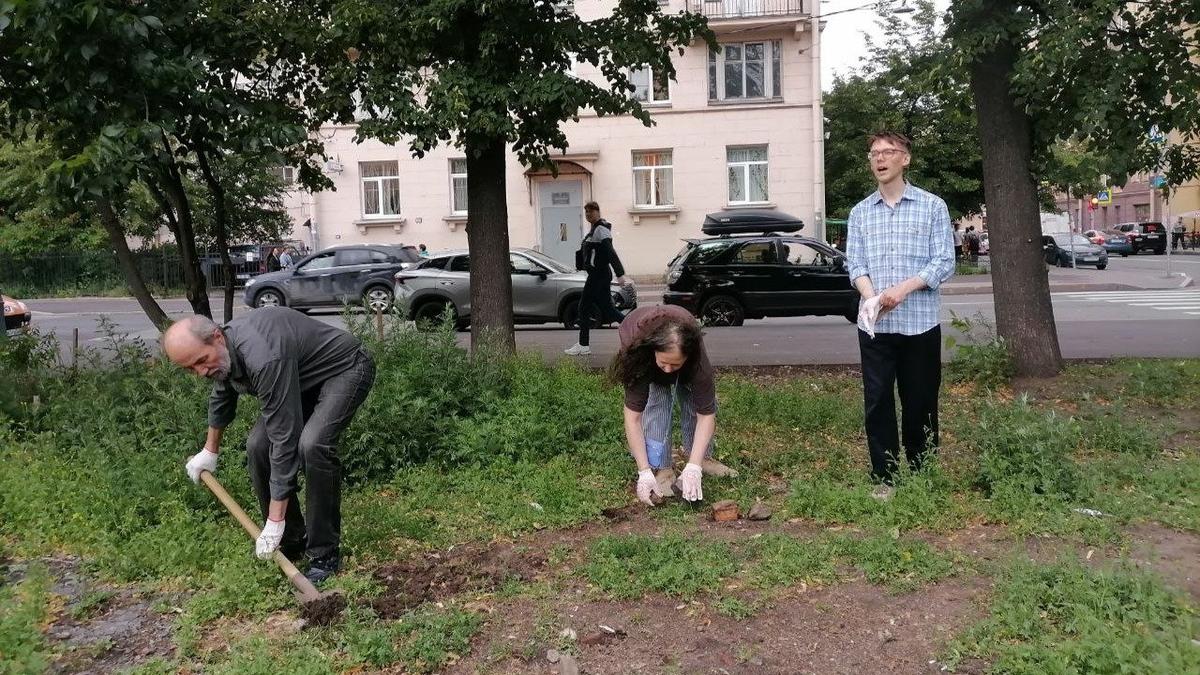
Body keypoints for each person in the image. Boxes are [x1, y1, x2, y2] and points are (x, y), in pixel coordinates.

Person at [164, 308, 376, 583]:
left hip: (344, 368)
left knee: (313, 445)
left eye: (202, 361)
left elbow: (284, 438)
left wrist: (274, 520)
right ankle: (291, 541)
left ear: (217, 336)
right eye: (190, 368)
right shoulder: (224, 352)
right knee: (257, 446)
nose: (201, 372)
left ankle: (324, 553)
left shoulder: (263, 355)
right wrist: (209, 450)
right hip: (300, 379)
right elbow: (222, 395)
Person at [845, 131, 955, 500]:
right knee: (877, 401)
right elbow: (855, 263)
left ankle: (923, 474)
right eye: (874, 153)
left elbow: (943, 262)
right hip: (876, 326)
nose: (880, 158)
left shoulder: (932, 206)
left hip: (919, 324)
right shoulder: (860, 212)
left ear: (905, 159)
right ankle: (885, 477)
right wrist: (872, 295)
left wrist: (900, 291)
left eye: (888, 152)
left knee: (920, 400)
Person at [611, 305, 736, 505]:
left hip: (684, 348)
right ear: (654, 352)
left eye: (675, 364)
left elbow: (706, 414)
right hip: (640, 344)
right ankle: (661, 467)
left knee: (692, 399)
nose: (668, 371)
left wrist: (694, 466)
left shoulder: (697, 361)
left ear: (687, 357)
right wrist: (643, 471)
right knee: (657, 400)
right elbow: (633, 417)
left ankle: (701, 460)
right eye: (664, 363)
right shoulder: (638, 353)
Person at [565, 202, 631, 356]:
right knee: (608, 309)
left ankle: (583, 345)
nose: (588, 215)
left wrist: (620, 273)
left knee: (583, 307)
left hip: (598, 275)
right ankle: (634, 328)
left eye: (591, 212)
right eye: (586, 212)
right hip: (598, 274)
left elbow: (610, 253)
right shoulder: (595, 229)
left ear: (598, 212)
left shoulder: (601, 230)